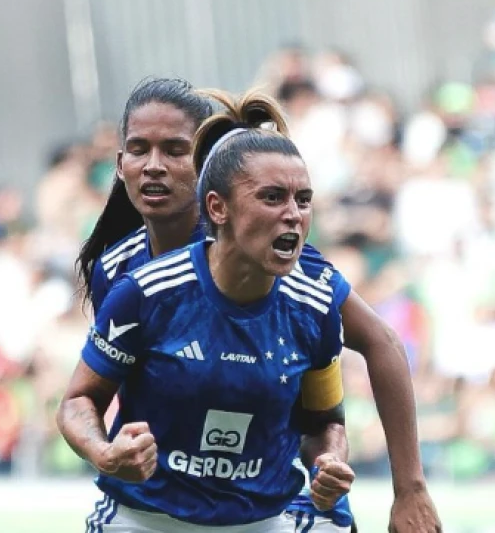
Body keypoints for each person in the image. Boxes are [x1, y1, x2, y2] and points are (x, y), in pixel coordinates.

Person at [74, 78, 440, 532]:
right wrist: (112, 453)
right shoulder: (120, 271)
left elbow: (369, 356)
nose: (154, 166)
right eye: (139, 150)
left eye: (174, 150)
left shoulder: (274, 255)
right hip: (159, 509)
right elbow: (96, 396)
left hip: (275, 506)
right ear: (119, 162)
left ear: (206, 164)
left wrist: (407, 487)